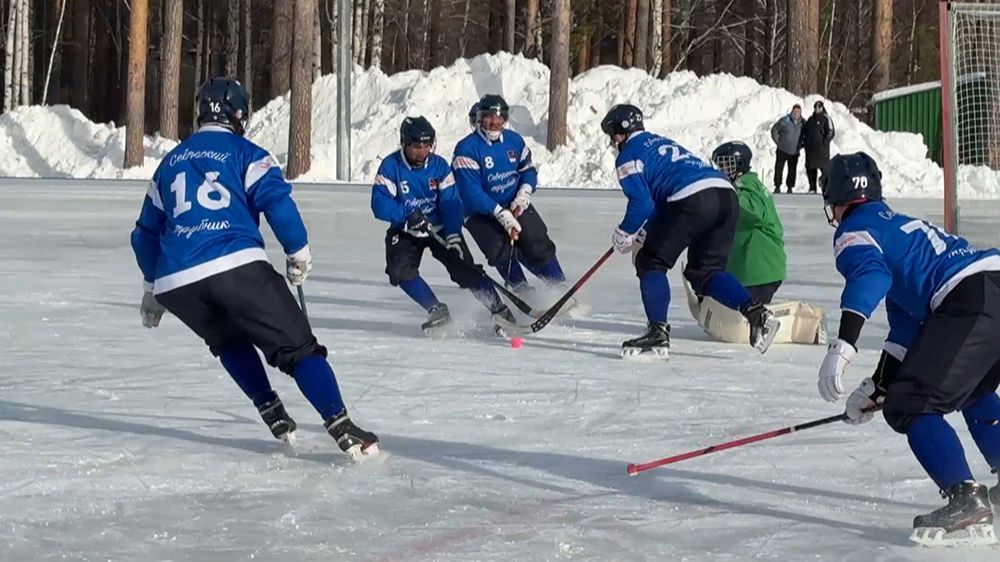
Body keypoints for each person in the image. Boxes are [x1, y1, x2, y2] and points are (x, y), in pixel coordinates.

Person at [129, 77, 380, 461]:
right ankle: (341, 425)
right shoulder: (246, 152)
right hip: (235, 263)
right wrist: (298, 252)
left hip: (177, 281)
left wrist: (151, 288)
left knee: (228, 340)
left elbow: (144, 234)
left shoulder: (169, 163)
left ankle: (271, 410)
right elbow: (276, 202)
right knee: (299, 349)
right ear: (239, 114)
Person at [817, 152, 1000, 546]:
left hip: (968, 297)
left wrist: (844, 343)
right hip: (991, 281)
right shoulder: (896, 229)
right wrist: (877, 387)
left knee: (909, 405)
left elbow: (869, 276)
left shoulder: (855, 229)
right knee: (971, 389)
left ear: (837, 198)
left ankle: (965, 500)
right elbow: (906, 331)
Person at [599, 104, 780, 360]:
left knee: (650, 262)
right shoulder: (660, 142)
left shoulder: (629, 155)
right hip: (726, 196)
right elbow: (663, 198)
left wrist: (624, 232)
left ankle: (657, 333)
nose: (612, 141)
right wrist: (644, 231)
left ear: (620, 132)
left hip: (692, 199)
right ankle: (756, 313)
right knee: (706, 273)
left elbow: (643, 203)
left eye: (612, 135)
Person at [370, 116, 516, 334]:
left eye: (427, 145)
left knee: (465, 269)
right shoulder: (391, 166)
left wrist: (454, 234)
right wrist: (407, 215)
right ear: (404, 143)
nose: (422, 151)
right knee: (399, 270)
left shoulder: (439, 166)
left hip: (439, 229)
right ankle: (436, 309)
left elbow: (451, 202)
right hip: (406, 229)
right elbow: (379, 203)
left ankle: (500, 310)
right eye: (417, 146)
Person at [683, 141, 826, 346]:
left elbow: (755, 211)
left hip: (760, 271)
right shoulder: (745, 186)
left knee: (741, 324)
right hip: (754, 269)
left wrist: (725, 195)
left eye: (726, 164)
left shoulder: (746, 187)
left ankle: (807, 324)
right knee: (726, 310)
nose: (721, 169)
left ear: (739, 164)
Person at [451, 94, 571, 305]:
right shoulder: (466, 149)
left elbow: (527, 171)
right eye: (489, 116)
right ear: (480, 118)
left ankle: (560, 286)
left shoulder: (514, 140)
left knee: (536, 239)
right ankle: (523, 292)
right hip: (478, 212)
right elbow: (471, 193)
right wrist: (499, 213)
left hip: (513, 202)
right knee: (499, 250)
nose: (495, 122)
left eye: (500, 117)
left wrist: (523, 194)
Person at [801, 100, 835, 194]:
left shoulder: (826, 118)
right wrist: (804, 142)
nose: (817, 109)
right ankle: (812, 187)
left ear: (822, 108)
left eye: (819, 107)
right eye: (815, 107)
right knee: (811, 169)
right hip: (811, 150)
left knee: (824, 170)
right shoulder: (810, 120)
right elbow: (805, 131)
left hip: (822, 150)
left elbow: (831, 132)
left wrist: (825, 141)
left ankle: (826, 188)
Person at [770, 104, 804, 194]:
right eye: (795, 112)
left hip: (794, 152)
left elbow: (807, 135)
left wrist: (801, 145)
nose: (796, 114)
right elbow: (775, 130)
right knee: (779, 168)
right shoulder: (785, 120)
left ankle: (790, 187)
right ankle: (777, 186)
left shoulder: (803, 123)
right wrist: (778, 142)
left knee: (792, 170)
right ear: (792, 111)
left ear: (801, 113)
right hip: (782, 150)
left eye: (798, 112)